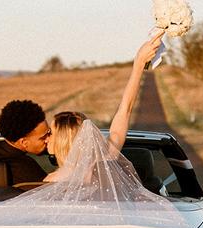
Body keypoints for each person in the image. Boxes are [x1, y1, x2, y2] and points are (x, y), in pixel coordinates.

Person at [44, 30, 164, 183]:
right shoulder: (99, 169)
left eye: (51, 133)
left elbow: (124, 112)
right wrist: (138, 64)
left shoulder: (50, 181)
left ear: (63, 139)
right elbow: (124, 111)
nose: (47, 138)